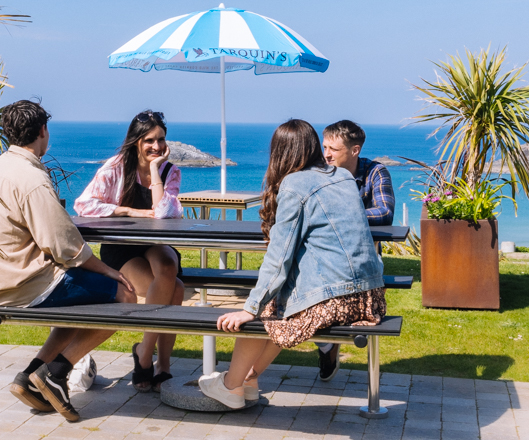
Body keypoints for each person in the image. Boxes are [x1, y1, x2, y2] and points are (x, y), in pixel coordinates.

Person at [197, 119, 387, 410]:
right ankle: (248, 379)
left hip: (336, 297)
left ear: (281, 154)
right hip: (369, 299)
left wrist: (250, 308)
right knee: (279, 304)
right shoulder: (343, 176)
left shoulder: (295, 184)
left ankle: (231, 386)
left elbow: (279, 255)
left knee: (267, 310)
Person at [0, 100, 137, 422]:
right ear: (43, 131)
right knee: (124, 297)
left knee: (80, 300)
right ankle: (56, 374)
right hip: (22, 283)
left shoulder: (2, 166)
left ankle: (31, 377)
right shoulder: (31, 178)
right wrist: (108, 270)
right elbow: (63, 244)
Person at [74, 110, 186, 391]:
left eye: (161, 140)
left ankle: (146, 356)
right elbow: (83, 204)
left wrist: (155, 172)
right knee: (174, 290)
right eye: (149, 140)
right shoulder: (115, 168)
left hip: (155, 242)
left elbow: (162, 213)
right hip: (122, 247)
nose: (156, 146)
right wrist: (127, 210)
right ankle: (159, 364)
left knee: (169, 269)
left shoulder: (170, 172)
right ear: (136, 141)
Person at [315, 119, 394, 379]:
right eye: (324, 146)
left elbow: (385, 213)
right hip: (323, 255)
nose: (326, 154)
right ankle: (327, 343)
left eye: (333, 150)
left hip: (363, 259)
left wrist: (340, 215)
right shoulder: (319, 170)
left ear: (355, 150)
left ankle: (328, 344)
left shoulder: (375, 172)